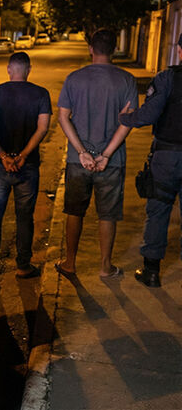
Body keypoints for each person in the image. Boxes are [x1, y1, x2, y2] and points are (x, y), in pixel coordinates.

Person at [55, 29, 137, 280]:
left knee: (74, 211)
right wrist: (106, 154)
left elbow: (62, 117)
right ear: (113, 49)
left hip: (77, 160)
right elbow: (128, 121)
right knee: (108, 214)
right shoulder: (126, 80)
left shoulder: (74, 79)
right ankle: (105, 266)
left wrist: (81, 152)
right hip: (111, 163)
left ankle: (70, 263)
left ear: (91, 49)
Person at [118, 33, 182, 288]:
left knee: (158, 211)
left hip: (167, 157)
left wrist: (126, 118)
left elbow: (149, 114)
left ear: (179, 50)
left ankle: (151, 272)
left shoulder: (168, 78)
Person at [0, 52, 51, 277]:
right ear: (29, 69)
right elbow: (42, 128)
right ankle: (22, 265)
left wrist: (3, 155)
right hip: (27, 165)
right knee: (24, 216)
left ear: (9, 69)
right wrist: (22, 155)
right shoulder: (41, 94)